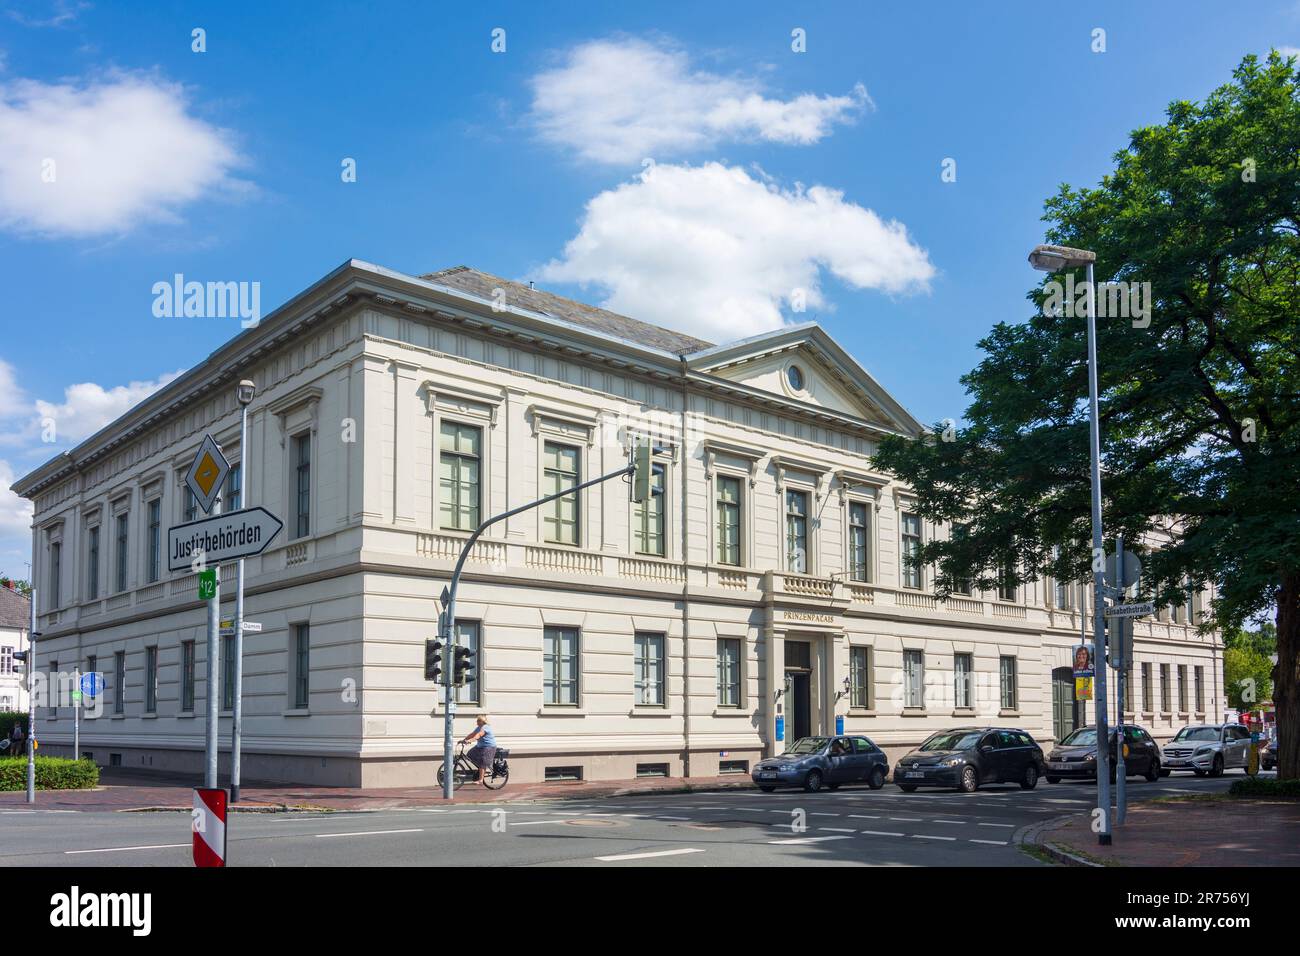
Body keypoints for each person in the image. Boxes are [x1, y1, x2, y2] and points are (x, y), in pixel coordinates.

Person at [460, 715, 497, 785]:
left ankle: (481, 780)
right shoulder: (478, 727)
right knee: (470, 754)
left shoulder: (486, 727)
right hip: (480, 746)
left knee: (482, 761)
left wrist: (470, 740)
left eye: (478, 720)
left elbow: (479, 735)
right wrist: (464, 740)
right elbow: (472, 734)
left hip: (489, 747)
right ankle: (482, 768)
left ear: (483, 721)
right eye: (477, 720)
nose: (477, 722)